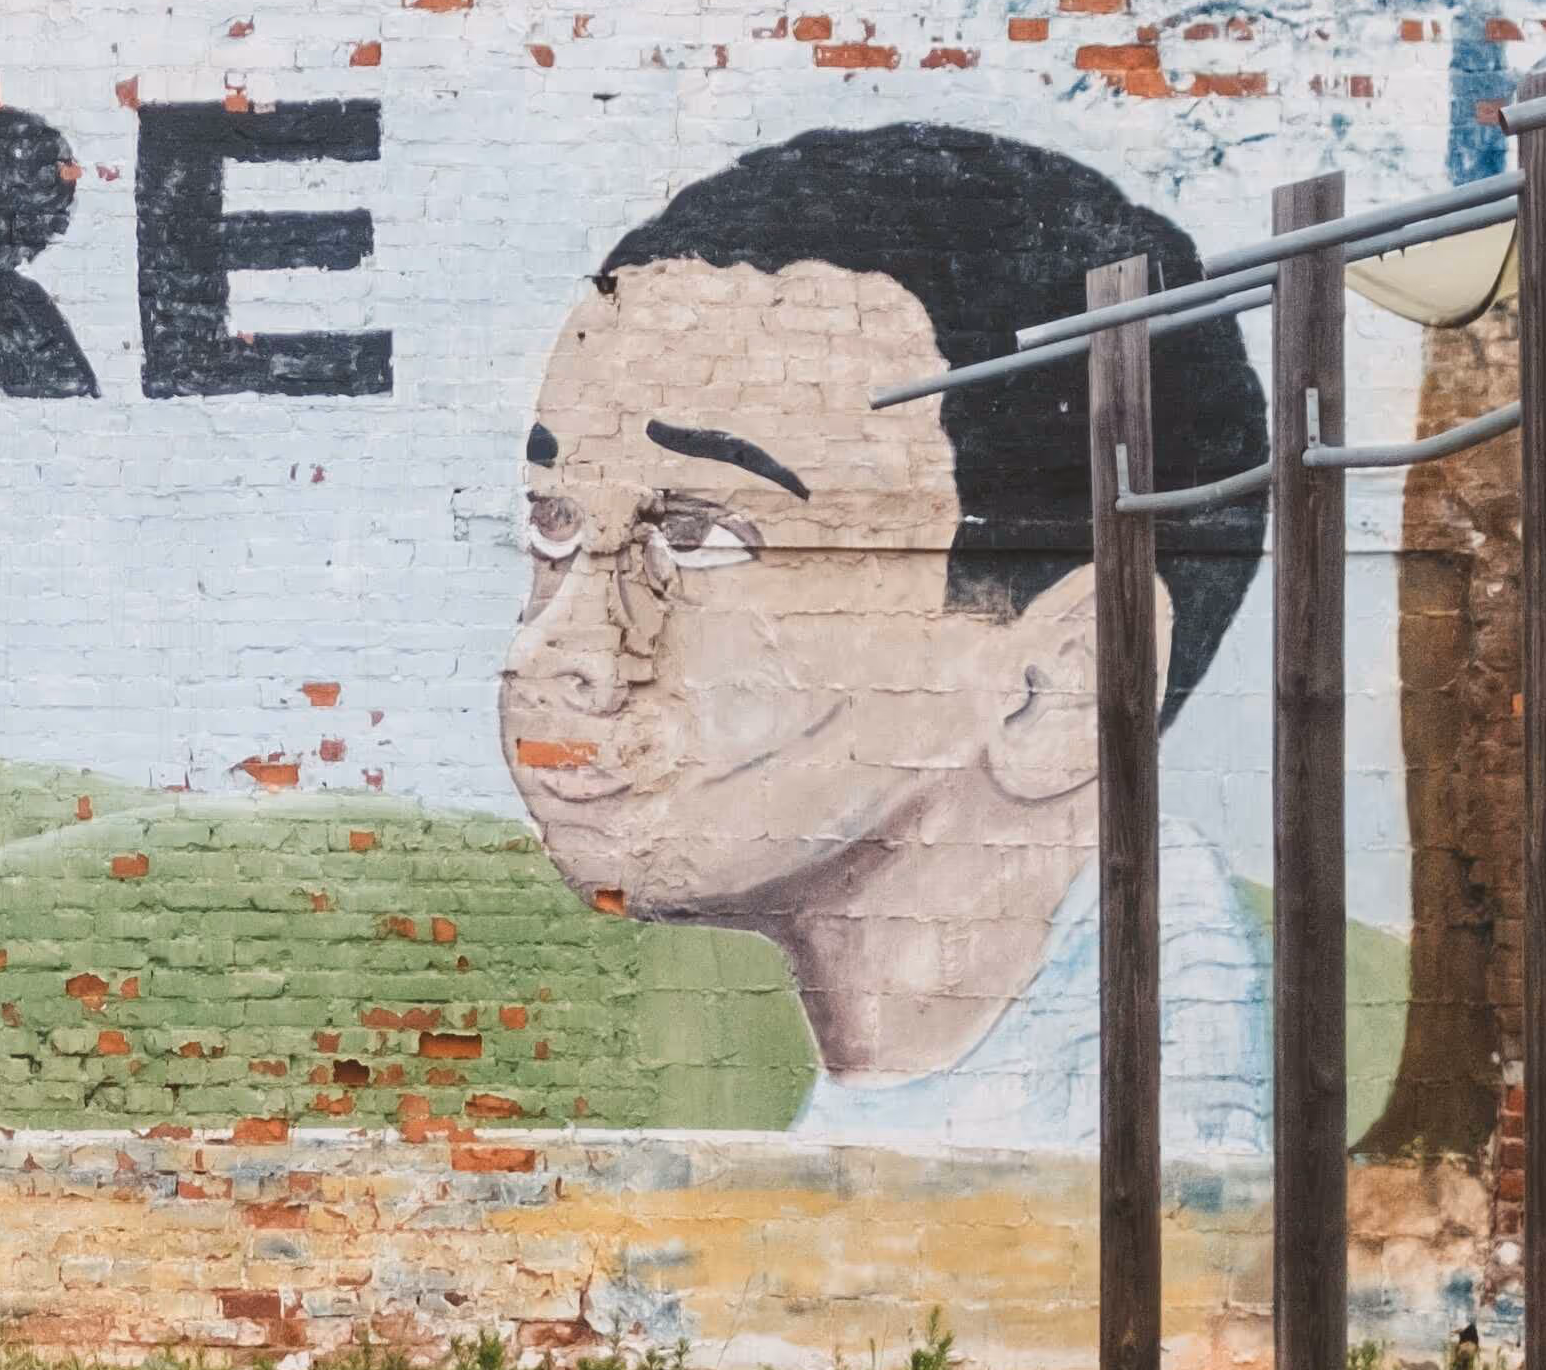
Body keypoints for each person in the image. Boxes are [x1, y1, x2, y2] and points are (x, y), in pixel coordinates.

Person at [499, 124, 1269, 1155]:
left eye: (700, 534)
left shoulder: (1148, 1175)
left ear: (1060, 681)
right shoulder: (963, 1121)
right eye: (555, 524)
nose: (561, 651)